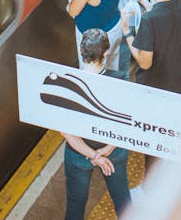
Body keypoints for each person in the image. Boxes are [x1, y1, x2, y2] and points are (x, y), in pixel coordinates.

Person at [62, 28, 131, 220]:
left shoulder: (68, 83)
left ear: (82, 52)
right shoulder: (119, 81)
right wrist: (107, 150)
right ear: (106, 53)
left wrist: (93, 155)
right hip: (113, 153)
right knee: (123, 201)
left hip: (78, 155)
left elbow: (66, 133)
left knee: (75, 205)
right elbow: (126, 124)